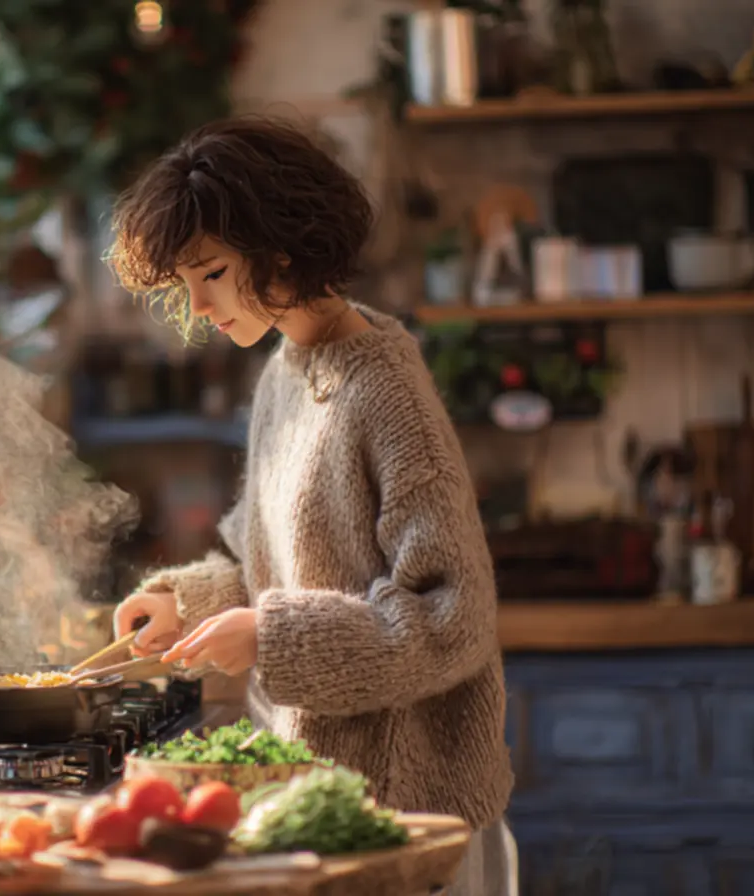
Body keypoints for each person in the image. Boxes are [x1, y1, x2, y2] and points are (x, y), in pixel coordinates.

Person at [106, 117, 514, 895]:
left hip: (411, 825)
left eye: (213, 272)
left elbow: (453, 619)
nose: (197, 304)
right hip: (318, 802)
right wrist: (185, 604)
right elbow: (260, 568)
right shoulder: (284, 373)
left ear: (282, 248)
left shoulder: (386, 391)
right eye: (186, 282)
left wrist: (271, 638)